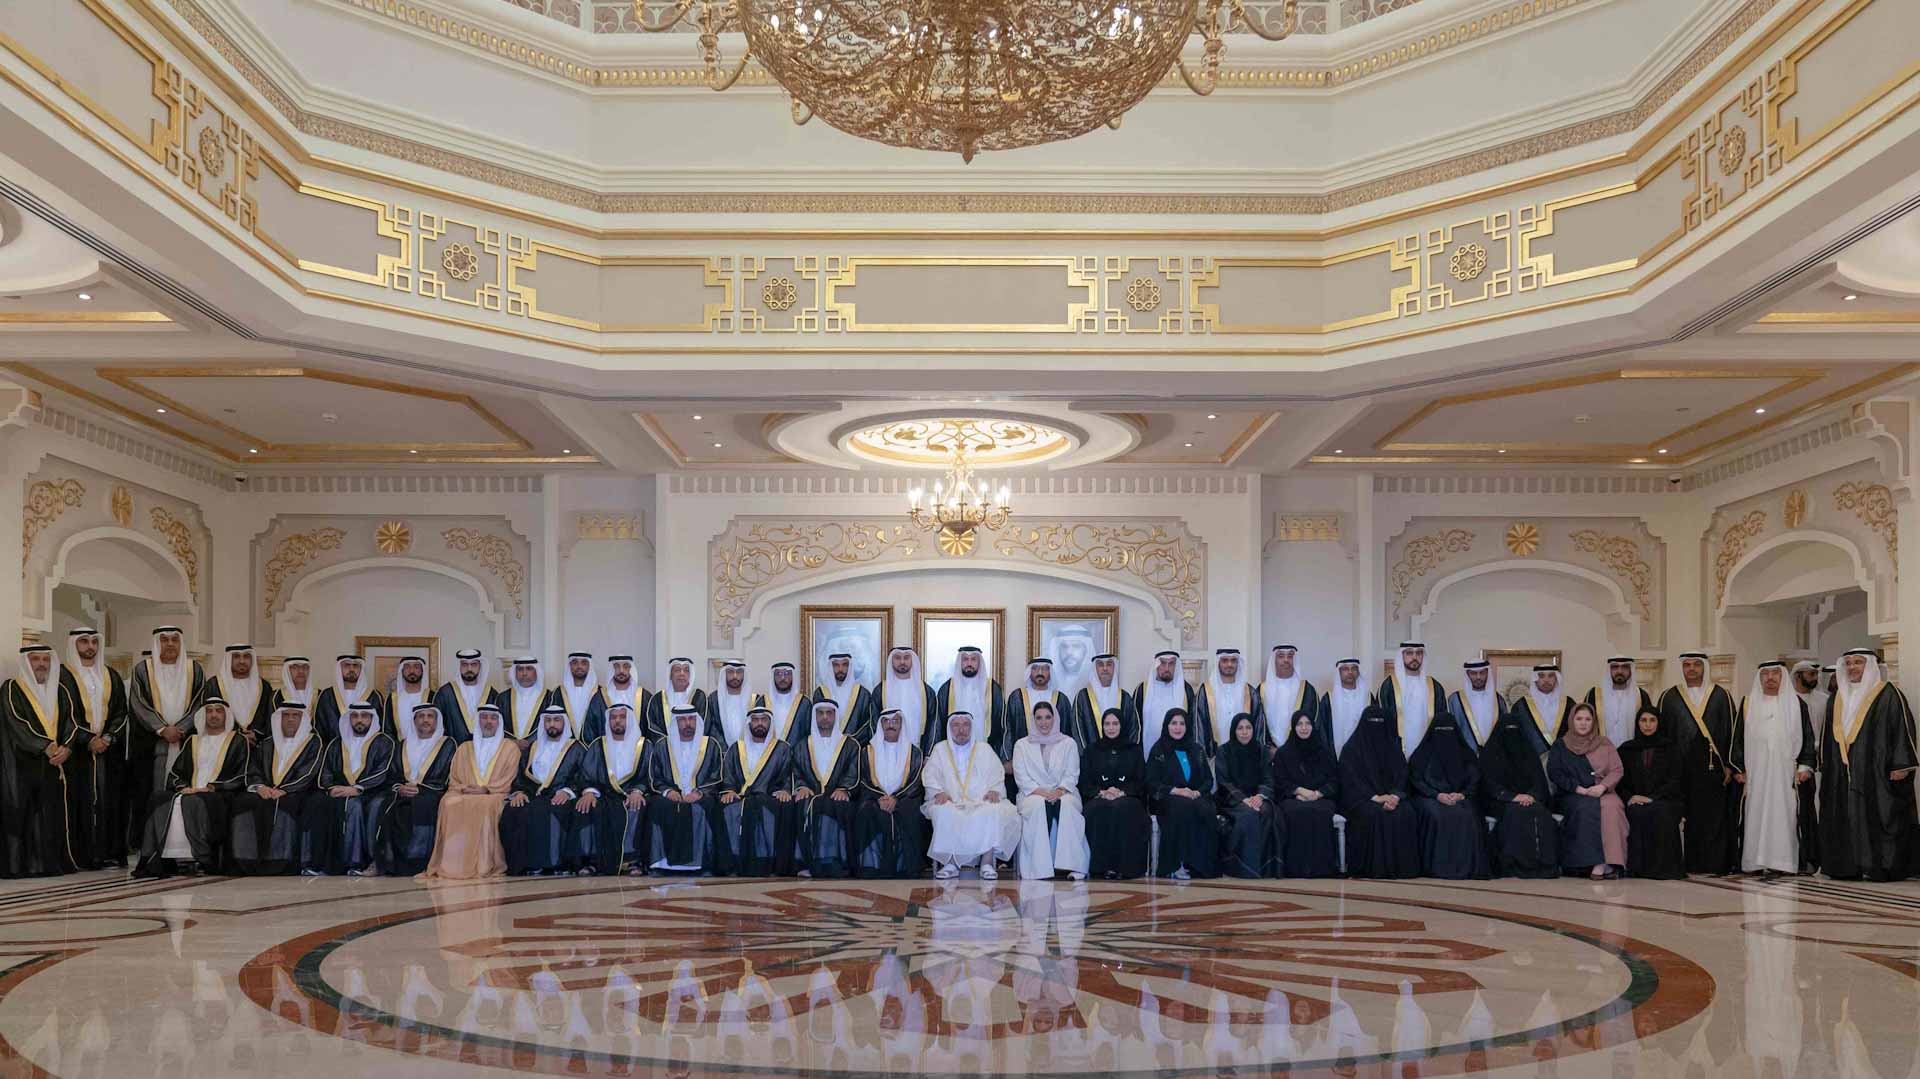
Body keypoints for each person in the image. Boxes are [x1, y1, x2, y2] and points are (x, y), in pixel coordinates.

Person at [1817, 648, 1916, 882]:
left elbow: (1902, 729)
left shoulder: (1888, 694)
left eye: (1858, 662)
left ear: (1870, 665)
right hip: (1842, 771)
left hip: (1876, 770)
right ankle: (1846, 867)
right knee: (1844, 815)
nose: (1852, 667)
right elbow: (1826, 736)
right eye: (1849, 663)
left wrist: (1901, 764)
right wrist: (1826, 764)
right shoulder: (1836, 698)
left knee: (1881, 815)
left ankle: (1881, 866)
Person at [131, 695, 247, 877]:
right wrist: (182, 787)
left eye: (218, 711)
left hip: (219, 793)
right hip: (190, 791)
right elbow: (176, 774)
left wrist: (212, 787)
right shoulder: (193, 741)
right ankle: (162, 858)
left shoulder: (238, 741)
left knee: (192, 801)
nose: (214, 715)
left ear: (226, 716)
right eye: (209, 711)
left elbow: (242, 775)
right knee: (158, 798)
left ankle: (202, 857)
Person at [1732, 661, 1818, 877]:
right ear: (1759, 677)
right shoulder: (1748, 703)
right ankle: (1754, 861)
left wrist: (1806, 765)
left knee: (1785, 815)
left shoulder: (1797, 704)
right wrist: (1738, 767)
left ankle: (1784, 861)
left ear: (1783, 677)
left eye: (1775, 673)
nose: (1770, 678)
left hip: (1786, 773)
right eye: (1765, 674)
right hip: (1756, 772)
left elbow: (1808, 737)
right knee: (1755, 813)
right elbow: (1737, 739)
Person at [419, 704, 522, 880]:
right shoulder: (464, 747)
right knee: (448, 802)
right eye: (484, 717)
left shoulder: (510, 748)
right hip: (465, 792)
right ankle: (452, 863)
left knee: (485, 804)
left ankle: (483, 863)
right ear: (478, 721)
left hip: (495, 794)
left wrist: (486, 789)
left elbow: (508, 779)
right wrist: (464, 789)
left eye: (493, 718)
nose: (488, 722)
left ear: (499, 722)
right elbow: (454, 778)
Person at [126, 626, 206, 846]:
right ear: (156, 643)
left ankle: (184, 843)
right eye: (164, 640)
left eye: (174, 640)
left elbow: (199, 703)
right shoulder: (143, 669)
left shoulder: (194, 669)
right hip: (151, 744)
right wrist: (162, 729)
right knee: (148, 792)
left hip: (186, 741)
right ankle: (150, 843)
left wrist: (181, 728)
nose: (170, 644)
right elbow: (138, 704)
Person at [2, 645, 78, 877]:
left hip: (54, 764)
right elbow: (16, 722)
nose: (42, 664)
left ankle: (50, 864)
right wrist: (46, 746)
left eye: (46, 659)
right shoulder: (12, 688)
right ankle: (22, 866)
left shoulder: (60, 690)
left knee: (50, 814)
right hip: (22, 764)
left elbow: (71, 722)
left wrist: (67, 748)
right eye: (36, 659)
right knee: (25, 814)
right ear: (26, 662)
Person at [1660, 651, 1738, 875]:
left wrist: (1729, 765)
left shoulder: (1721, 695)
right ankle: (1691, 863)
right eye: (1687, 665)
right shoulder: (1669, 697)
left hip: (1714, 767)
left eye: (1696, 664)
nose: (1692, 669)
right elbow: (1664, 735)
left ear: (1704, 667)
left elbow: (1731, 732)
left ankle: (1716, 863)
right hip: (1681, 767)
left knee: (1714, 816)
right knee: (1689, 816)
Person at [921, 711, 1021, 880]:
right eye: (956, 725)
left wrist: (994, 790)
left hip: (980, 800)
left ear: (972, 727)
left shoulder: (984, 749)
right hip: (950, 800)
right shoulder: (940, 749)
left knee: (992, 810)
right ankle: (950, 863)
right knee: (943, 811)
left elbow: (997, 774)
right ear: (949, 728)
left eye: (965, 725)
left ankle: (987, 863)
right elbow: (930, 775)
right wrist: (938, 792)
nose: (961, 730)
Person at [301, 700, 395, 876]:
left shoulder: (384, 742)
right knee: (315, 802)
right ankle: (315, 862)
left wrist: (358, 788)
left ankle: (356, 861)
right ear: (348, 719)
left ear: (372, 719)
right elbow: (326, 772)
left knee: (354, 805)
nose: (359, 720)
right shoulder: (336, 743)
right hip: (339, 791)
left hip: (372, 791)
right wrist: (330, 788)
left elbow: (383, 771)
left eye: (364, 716)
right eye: (355, 716)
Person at [62, 627, 130, 868]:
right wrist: (87, 739)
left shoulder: (111, 675)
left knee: (107, 801)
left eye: (93, 642)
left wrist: (108, 738)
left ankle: (106, 852)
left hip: (107, 751)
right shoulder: (62, 676)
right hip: (76, 752)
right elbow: (65, 714)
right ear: (73, 644)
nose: (90, 646)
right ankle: (81, 855)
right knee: (79, 801)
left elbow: (121, 711)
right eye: (83, 641)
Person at [229, 702, 323, 874]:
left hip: (298, 791)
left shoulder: (313, 742)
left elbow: (309, 772)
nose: (290, 720)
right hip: (266, 790)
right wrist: (260, 787)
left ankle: (279, 861)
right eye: (286, 715)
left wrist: (285, 789)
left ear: (303, 719)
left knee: (284, 804)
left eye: (295, 716)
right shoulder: (267, 743)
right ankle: (245, 860)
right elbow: (253, 769)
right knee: (243, 802)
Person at [499, 705, 588, 876]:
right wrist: (519, 793)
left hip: (562, 796)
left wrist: (568, 792)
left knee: (551, 810)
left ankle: (556, 864)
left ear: (564, 723)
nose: (552, 724)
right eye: (548, 720)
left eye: (556, 720)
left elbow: (583, 776)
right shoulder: (533, 747)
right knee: (513, 810)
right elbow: (522, 776)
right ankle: (525, 864)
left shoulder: (576, 748)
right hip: (534, 795)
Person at [1337, 705, 1420, 879]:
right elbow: (1350, 779)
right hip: (1362, 799)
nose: (1376, 725)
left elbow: (1403, 775)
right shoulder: (1351, 749)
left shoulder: (1393, 747)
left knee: (1407, 813)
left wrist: (1395, 796)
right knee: (1374, 815)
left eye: (1380, 721)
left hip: (1393, 798)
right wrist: (1375, 797)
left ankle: (1403, 869)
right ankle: (1373, 868)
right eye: (1372, 721)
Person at [1547, 702, 1628, 880]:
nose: (1583, 723)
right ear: (1571, 720)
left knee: (1613, 807)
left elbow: (1617, 770)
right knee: (1587, 807)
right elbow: (1555, 772)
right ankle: (1591, 863)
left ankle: (1611, 862)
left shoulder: (1604, 743)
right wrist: (1579, 789)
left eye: (1588, 719)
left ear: (1594, 722)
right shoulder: (1561, 745)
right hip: (1571, 794)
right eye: (1579, 719)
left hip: (1603, 790)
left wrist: (1602, 787)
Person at [1476, 710, 1559, 879]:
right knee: (1516, 813)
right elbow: (1488, 784)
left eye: (1515, 730)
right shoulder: (1489, 754)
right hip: (1500, 801)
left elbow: (1538, 781)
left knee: (1540, 813)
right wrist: (1512, 797)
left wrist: (1531, 796)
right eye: (1507, 730)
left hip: (1530, 800)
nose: (1511, 735)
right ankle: (1515, 864)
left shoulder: (1529, 753)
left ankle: (1543, 864)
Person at [1012, 701, 1089, 881]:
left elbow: (1072, 774)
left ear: (1055, 718)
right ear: (1033, 720)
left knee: (1068, 805)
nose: (1043, 722)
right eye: (1039, 718)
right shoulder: (1021, 745)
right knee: (1038, 806)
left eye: (1048, 717)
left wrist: (1059, 791)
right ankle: (1038, 869)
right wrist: (1042, 793)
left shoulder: (1068, 743)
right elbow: (1021, 778)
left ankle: (1072, 866)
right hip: (1032, 794)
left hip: (1064, 791)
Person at [1407, 713, 1489, 880]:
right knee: (1437, 815)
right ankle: (1437, 867)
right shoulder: (1422, 754)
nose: (1445, 735)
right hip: (1429, 798)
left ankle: (1468, 867)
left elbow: (1474, 779)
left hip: (1460, 797)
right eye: (1441, 730)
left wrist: (1462, 794)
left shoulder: (1466, 754)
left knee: (1468, 815)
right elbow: (1416, 780)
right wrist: (1437, 795)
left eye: (1449, 730)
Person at [378, 704, 456, 876]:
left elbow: (445, 775)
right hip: (402, 792)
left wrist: (420, 788)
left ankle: (419, 862)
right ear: (414, 721)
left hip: (432, 792)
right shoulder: (402, 745)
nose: (425, 720)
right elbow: (392, 774)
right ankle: (387, 861)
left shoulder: (447, 744)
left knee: (422, 805)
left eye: (430, 716)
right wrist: (400, 787)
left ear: (436, 721)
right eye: (421, 716)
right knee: (384, 805)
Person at [645, 706, 724, 874]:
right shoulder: (662, 746)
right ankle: (662, 863)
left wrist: (699, 792)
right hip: (671, 795)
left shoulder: (710, 745)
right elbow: (654, 777)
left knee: (704, 806)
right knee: (659, 805)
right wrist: (668, 792)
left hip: (701, 794)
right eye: (682, 719)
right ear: (675, 722)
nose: (688, 723)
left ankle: (700, 864)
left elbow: (717, 776)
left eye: (691, 719)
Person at [790, 699, 860, 878]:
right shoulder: (802, 745)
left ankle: (836, 863)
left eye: (829, 713)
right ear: (814, 717)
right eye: (820, 713)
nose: (825, 717)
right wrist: (801, 786)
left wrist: (844, 789)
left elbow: (853, 772)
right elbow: (796, 771)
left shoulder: (850, 745)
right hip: (811, 794)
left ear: (836, 716)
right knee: (805, 804)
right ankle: (807, 863)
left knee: (835, 805)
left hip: (838, 794)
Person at [853, 708, 927, 878]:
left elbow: (916, 782)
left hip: (904, 799)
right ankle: (872, 866)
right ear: (880, 725)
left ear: (902, 725)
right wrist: (879, 798)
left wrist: (896, 798)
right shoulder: (867, 752)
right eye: (886, 721)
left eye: (895, 721)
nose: (890, 725)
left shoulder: (914, 752)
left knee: (911, 813)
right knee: (866, 811)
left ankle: (905, 867)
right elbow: (863, 780)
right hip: (875, 799)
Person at [719, 704, 791, 876]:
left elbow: (787, 774)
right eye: (755, 720)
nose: (759, 724)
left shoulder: (782, 748)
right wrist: (729, 790)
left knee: (772, 806)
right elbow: (728, 775)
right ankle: (733, 863)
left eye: (764, 720)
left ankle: (769, 863)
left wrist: (785, 790)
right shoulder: (736, 748)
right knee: (726, 806)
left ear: (770, 723)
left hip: (770, 798)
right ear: (749, 724)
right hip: (740, 797)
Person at [581, 701, 652, 876]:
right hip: (604, 795)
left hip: (632, 794)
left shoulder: (644, 745)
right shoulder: (598, 745)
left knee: (636, 806)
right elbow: (587, 774)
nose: (617, 721)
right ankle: (594, 861)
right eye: (613, 717)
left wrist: (638, 791)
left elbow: (649, 774)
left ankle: (632, 860)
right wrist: (589, 792)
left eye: (622, 717)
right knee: (589, 806)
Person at [1145, 709, 1218, 880]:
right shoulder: (1159, 750)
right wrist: (1177, 791)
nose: (1178, 728)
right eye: (1174, 723)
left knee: (1206, 810)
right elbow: (1151, 782)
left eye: (1182, 723)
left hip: (1194, 796)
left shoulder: (1197, 749)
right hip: (1167, 798)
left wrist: (1197, 792)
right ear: (1167, 726)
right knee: (1182, 807)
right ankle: (1176, 865)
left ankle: (1200, 866)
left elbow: (1208, 779)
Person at [1079, 708, 1150, 880]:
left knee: (1124, 809)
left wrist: (1122, 792)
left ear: (1122, 725)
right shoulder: (1091, 750)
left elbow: (1141, 780)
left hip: (1128, 797)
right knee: (1096, 810)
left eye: (1115, 723)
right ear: (1102, 726)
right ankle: (1099, 868)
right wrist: (1101, 792)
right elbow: (1084, 781)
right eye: (1107, 724)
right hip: (1099, 797)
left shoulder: (1134, 750)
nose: (1111, 728)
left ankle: (1125, 868)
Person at [1616, 705, 1686, 880]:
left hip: (1666, 799)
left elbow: (1675, 780)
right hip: (1635, 800)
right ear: (1637, 723)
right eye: (1643, 720)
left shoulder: (1671, 748)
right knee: (1637, 811)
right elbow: (1620, 781)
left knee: (1660, 811)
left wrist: (1652, 798)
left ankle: (1664, 869)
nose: (1648, 725)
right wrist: (1631, 797)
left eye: (1652, 720)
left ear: (1659, 723)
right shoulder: (1626, 749)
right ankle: (1638, 869)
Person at [1272, 710, 1341, 878]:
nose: (1304, 728)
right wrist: (1299, 791)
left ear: (1313, 726)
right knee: (1296, 811)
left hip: (1321, 798)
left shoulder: (1325, 752)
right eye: (1299, 724)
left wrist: (1317, 793)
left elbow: (1335, 780)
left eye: (1307, 723)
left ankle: (1321, 868)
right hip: (1293, 797)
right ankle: (1295, 868)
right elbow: (1280, 781)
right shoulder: (1283, 753)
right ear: (1293, 727)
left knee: (1320, 811)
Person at [1216, 713, 1277, 878]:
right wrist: (1243, 799)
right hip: (1231, 800)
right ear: (1234, 731)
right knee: (1248, 815)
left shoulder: (1262, 751)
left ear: (1253, 730)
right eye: (1240, 728)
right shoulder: (1224, 751)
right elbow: (1223, 782)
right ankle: (1242, 867)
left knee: (1267, 812)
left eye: (1248, 728)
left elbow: (1268, 778)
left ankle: (1264, 866)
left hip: (1257, 798)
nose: (1244, 732)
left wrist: (1260, 797)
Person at [1379, 642, 1446, 761]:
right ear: (1401, 656)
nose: (1414, 657)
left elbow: (1442, 721)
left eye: (1419, 653)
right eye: (1409, 653)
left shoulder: (1435, 687)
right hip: (1396, 753)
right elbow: (1382, 723)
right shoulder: (1389, 686)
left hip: (1428, 753)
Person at [932, 646, 1005, 749]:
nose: (969, 663)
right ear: (960, 662)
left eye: (973, 659)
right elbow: (938, 724)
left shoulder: (993, 689)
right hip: (953, 750)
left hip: (985, 749)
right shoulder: (947, 689)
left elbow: (1000, 724)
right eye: (965, 659)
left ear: (979, 662)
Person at [1006, 658, 1074, 756]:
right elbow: (1008, 729)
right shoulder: (1017, 697)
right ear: (1029, 672)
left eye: (1045, 669)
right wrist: (1008, 757)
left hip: (1056, 756)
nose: (1040, 672)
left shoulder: (1061, 699)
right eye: (1035, 668)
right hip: (1023, 754)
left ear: (1050, 672)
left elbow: (1068, 730)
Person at [210, 644, 272, 749]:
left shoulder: (264, 686)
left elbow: (270, 717)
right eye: (236, 656)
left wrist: (256, 734)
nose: (242, 661)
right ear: (229, 659)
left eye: (246, 656)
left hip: (257, 747)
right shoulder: (214, 685)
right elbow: (208, 718)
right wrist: (237, 737)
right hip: (225, 747)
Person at [1135, 651, 1196, 757]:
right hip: (1147, 751)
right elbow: (1135, 724)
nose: (1167, 668)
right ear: (1156, 665)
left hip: (1180, 752)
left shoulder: (1185, 689)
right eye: (1163, 663)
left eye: (1171, 664)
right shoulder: (1142, 689)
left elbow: (1192, 723)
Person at [314, 654, 383, 744]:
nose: (351, 669)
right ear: (339, 668)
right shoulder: (327, 696)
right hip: (333, 750)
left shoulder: (374, 696)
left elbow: (380, 728)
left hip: (367, 749)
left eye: (355, 666)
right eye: (347, 665)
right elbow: (319, 729)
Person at [1259, 645, 1318, 749]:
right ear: (1274, 660)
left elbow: (1315, 723)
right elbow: (1258, 724)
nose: (1286, 660)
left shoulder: (1307, 690)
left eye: (1290, 656)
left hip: (1300, 751)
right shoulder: (1262, 690)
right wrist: (1268, 750)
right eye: (1281, 656)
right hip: (1269, 753)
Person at [1586, 657, 1654, 748]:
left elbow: (1650, 726)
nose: (1620, 671)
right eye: (1615, 667)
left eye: (1625, 667)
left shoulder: (1641, 695)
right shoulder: (1594, 694)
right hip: (1601, 751)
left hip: (1633, 752)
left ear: (1630, 670)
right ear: (1608, 670)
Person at [876, 648, 936, 751]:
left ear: (912, 660)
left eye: (906, 658)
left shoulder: (926, 691)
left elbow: (932, 724)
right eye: (898, 658)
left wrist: (927, 753)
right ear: (891, 661)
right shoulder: (881, 690)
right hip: (888, 751)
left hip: (918, 750)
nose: (902, 662)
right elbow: (874, 723)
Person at [1194, 649, 1252, 754]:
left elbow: (1257, 723)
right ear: (1218, 663)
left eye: (1233, 661)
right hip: (1213, 755)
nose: (1229, 664)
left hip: (1244, 754)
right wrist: (1202, 754)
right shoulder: (1205, 691)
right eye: (1224, 660)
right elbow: (1199, 725)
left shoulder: (1249, 691)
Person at [1074, 654, 1137, 748]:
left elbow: (1133, 728)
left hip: (1122, 754)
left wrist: (1128, 752)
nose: (1105, 668)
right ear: (1095, 669)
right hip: (1091, 755)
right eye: (1100, 665)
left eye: (1109, 664)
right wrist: (1086, 754)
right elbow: (1077, 730)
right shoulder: (1082, 697)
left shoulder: (1125, 697)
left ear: (1114, 667)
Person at [1316, 658, 1374, 755]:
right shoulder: (1329, 698)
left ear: (1358, 672)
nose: (1350, 672)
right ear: (1339, 672)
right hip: (1335, 755)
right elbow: (1322, 730)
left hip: (1363, 754)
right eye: (1345, 669)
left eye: (1354, 668)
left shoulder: (1368, 697)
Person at [813, 652, 875, 741]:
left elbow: (867, 725)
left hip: (856, 746)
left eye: (845, 665)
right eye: (836, 665)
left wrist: (849, 745)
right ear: (831, 667)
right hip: (826, 745)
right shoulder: (820, 693)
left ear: (850, 667)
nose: (840, 669)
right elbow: (815, 724)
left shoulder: (863, 694)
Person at [1447, 659, 1504, 755]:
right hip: (1464, 755)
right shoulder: (1455, 700)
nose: (1478, 677)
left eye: (1482, 673)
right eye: (1474, 673)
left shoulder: (1498, 699)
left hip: (1493, 755)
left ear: (1487, 673)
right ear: (1467, 675)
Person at [432, 649, 490, 742]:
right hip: (453, 748)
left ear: (480, 666)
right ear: (459, 666)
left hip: (485, 748)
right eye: (464, 664)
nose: (469, 669)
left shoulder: (491, 694)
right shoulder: (445, 693)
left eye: (474, 664)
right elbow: (436, 725)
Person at [1515, 664, 1573, 755]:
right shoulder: (1521, 705)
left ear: (1556, 678)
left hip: (1563, 757)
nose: (1546, 680)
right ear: (1535, 679)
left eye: (1551, 676)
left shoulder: (1568, 703)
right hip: (1530, 758)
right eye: (1541, 676)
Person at [644, 658, 706, 739]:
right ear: (670, 675)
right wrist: (666, 743)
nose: (682, 674)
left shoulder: (699, 697)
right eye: (677, 670)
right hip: (663, 746)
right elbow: (652, 726)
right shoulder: (657, 699)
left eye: (686, 670)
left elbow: (703, 724)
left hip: (693, 744)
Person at [497, 657, 552, 746]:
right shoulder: (503, 698)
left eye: (529, 669)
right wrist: (513, 742)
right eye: (520, 669)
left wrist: (531, 742)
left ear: (537, 672)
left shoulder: (549, 697)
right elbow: (497, 726)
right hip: (509, 748)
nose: (524, 673)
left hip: (539, 748)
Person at [556, 652, 607, 742]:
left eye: (584, 663)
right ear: (570, 666)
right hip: (566, 746)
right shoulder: (558, 693)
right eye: (575, 663)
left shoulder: (600, 693)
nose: (579, 666)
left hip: (594, 745)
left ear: (589, 666)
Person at [759, 661, 811, 747]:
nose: (782, 678)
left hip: (796, 754)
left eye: (787, 674)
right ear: (773, 677)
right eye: (778, 674)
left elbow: (809, 734)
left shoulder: (804, 703)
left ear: (793, 676)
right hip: (768, 753)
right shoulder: (763, 701)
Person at [385, 655, 434, 739]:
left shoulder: (432, 697)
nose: (412, 671)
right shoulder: (392, 699)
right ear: (402, 671)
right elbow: (388, 729)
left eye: (416, 667)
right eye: (407, 667)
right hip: (399, 746)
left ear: (422, 671)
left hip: (428, 746)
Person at [707, 660, 754, 744]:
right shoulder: (713, 699)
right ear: (724, 674)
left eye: (739, 672)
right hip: (721, 749)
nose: (735, 676)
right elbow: (711, 728)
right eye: (730, 672)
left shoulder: (753, 700)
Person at [600, 655, 646, 735]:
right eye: (617, 667)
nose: (621, 671)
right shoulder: (599, 698)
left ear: (631, 669)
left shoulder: (644, 697)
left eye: (625, 667)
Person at [1791, 660, 1829, 747]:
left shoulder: (1824, 699)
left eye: (1816, 674)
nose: (1815, 678)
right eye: (1811, 674)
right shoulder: (1789, 700)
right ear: (1797, 676)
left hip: (1822, 748)